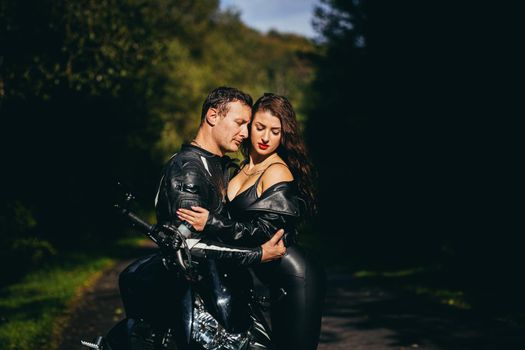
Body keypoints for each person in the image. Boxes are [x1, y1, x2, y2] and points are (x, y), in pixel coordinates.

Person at [120, 87, 287, 343]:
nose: (245, 133)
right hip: (196, 307)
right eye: (240, 123)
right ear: (212, 116)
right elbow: (186, 245)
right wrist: (258, 254)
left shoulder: (219, 165)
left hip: (222, 295)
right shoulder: (188, 169)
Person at [177, 93, 326, 350]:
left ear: (283, 136)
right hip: (266, 273)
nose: (266, 137)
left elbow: (267, 231)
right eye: (259, 127)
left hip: (295, 273)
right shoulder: (243, 168)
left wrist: (212, 223)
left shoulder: (276, 171)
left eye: (275, 131)